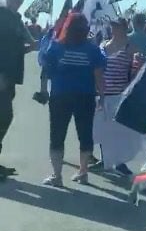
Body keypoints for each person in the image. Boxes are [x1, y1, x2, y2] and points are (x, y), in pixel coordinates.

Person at [42, 13, 106, 187]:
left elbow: (47, 70)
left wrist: (43, 91)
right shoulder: (92, 50)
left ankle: (57, 176)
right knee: (85, 134)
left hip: (60, 95)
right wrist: (102, 97)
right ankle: (83, 172)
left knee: (57, 135)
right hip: (85, 96)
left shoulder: (56, 47)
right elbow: (99, 75)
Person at [91, 18, 146, 176]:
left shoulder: (131, 47)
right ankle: (104, 160)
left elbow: (137, 70)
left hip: (118, 95)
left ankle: (119, 163)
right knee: (100, 129)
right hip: (100, 94)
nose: (114, 29)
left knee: (116, 131)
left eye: (117, 26)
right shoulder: (103, 45)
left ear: (124, 28)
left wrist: (139, 63)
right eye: (113, 26)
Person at [0, 0, 36, 178]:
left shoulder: (15, 19)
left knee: (3, 118)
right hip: (1, 75)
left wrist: (27, 47)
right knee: (3, 117)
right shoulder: (1, 15)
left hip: (10, 76)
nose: (21, 0)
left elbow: (15, 46)